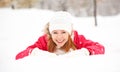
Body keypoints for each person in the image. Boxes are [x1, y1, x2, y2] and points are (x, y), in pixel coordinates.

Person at [15, 11, 105, 60]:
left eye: (63, 32)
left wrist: (85, 52)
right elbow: (19, 56)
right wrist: (36, 53)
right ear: (50, 33)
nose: (59, 37)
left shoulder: (76, 38)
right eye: (55, 32)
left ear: (69, 33)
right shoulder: (45, 40)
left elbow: (100, 48)